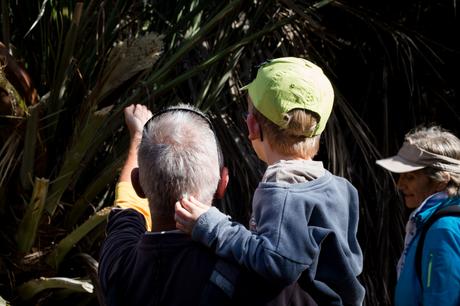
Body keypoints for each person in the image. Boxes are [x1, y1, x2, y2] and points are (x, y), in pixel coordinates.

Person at [175, 57, 365, 306]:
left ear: (252, 126)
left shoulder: (282, 192)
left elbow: (277, 262)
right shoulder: (342, 188)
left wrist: (211, 225)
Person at [98, 104, 318, 306]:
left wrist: (137, 136)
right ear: (223, 183)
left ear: (139, 184)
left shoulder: (118, 262)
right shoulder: (263, 281)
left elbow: (127, 207)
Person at [376, 125, 460, 306]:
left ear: (440, 181)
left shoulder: (443, 230)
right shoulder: (433, 221)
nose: (399, 185)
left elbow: (442, 299)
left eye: (410, 177)